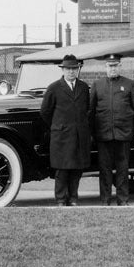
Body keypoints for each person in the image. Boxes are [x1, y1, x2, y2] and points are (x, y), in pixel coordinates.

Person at [89, 53, 134, 205]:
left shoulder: (130, 84)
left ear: (120, 66)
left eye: (115, 65)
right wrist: (91, 133)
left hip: (123, 133)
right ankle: (105, 199)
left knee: (123, 168)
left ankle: (123, 199)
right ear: (105, 67)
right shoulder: (97, 85)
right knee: (104, 169)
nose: (113, 68)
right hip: (103, 133)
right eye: (110, 66)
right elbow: (91, 111)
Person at [40, 54, 91, 206]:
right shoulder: (54, 88)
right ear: (62, 70)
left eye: (74, 69)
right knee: (62, 170)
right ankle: (61, 199)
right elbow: (45, 112)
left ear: (78, 70)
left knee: (77, 169)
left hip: (79, 136)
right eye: (68, 69)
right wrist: (58, 126)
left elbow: (87, 109)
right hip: (61, 137)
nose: (71, 72)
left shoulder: (83, 87)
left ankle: (73, 198)